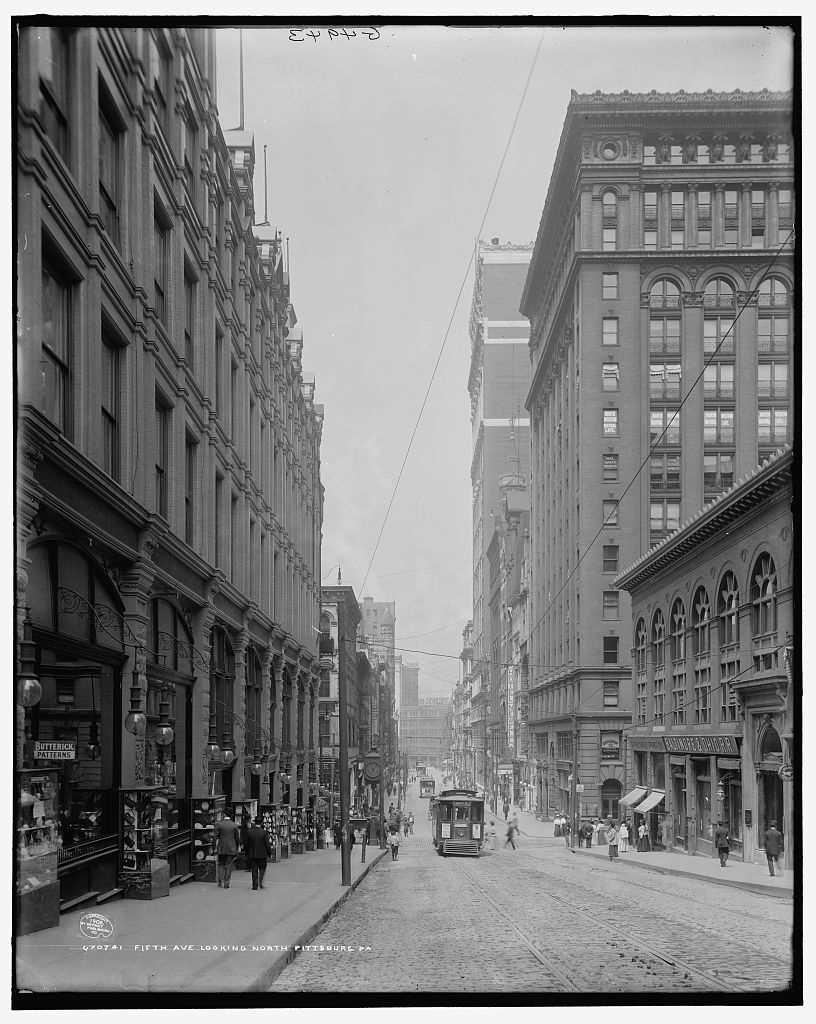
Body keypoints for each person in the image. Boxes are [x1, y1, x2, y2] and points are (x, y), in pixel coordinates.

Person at [214, 812, 242, 888]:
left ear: (224, 815)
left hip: (221, 848)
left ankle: (220, 880)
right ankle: (226, 883)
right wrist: (237, 847)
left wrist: (215, 847)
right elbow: (237, 838)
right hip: (231, 848)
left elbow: (215, 836)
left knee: (221, 864)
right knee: (228, 865)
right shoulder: (234, 825)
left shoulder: (219, 824)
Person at [244, 816, 273, 890]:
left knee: (254, 869)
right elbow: (267, 844)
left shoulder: (249, 832)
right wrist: (269, 853)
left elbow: (246, 844)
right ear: (261, 823)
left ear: (255, 822)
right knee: (262, 868)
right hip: (262, 855)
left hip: (252, 854)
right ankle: (260, 881)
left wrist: (246, 853)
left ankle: (255, 885)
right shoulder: (264, 832)